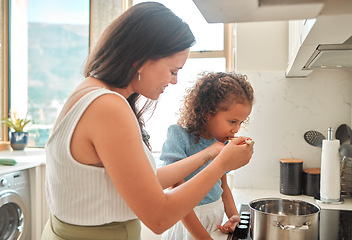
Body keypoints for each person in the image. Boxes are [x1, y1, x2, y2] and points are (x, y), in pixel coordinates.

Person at [41, 2, 254, 240]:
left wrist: (211, 153)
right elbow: (158, 217)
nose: (174, 81)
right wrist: (221, 164)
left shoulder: (91, 92)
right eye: (173, 71)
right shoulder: (108, 107)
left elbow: (146, 182)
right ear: (140, 59)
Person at [160, 72, 254, 240]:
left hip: (214, 219)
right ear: (207, 113)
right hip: (188, 225)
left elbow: (223, 185)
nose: (236, 129)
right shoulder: (179, 136)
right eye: (232, 121)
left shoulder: (223, 144)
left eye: (241, 122)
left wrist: (234, 217)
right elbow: (177, 198)